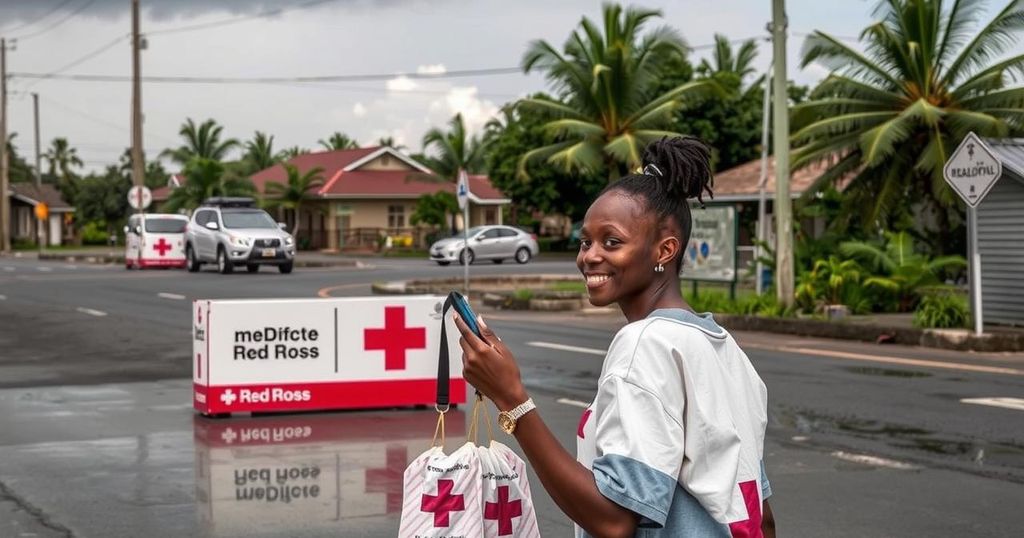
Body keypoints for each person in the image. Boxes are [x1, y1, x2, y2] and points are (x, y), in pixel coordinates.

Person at [453, 136, 775, 538]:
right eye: (585, 241)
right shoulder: (722, 346)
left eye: (612, 241)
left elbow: (614, 520)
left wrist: (512, 399)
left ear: (665, 250)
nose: (589, 256)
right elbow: (761, 515)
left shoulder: (646, 343)